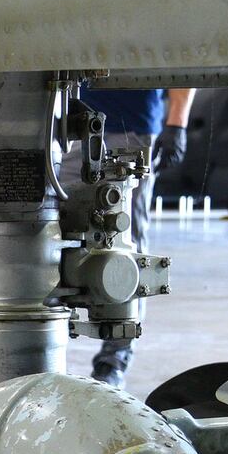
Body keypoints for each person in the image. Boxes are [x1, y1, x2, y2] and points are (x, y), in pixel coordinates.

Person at [70, 86, 195, 389]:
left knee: (126, 244)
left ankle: (114, 362)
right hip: (69, 126)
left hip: (132, 127)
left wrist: (177, 123)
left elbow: (181, 62)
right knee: (54, 233)